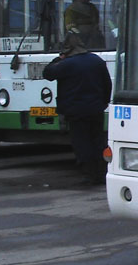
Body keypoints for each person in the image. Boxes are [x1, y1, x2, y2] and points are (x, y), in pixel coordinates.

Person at [44, 32, 113, 184]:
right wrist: (104, 102)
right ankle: (102, 173)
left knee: (82, 143)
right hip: (96, 109)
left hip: (76, 111)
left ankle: (89, 175)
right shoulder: (97, 61)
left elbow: (47, 73)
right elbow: (107, 84)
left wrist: (59, 58)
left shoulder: (66, 64)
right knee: (98, 141)